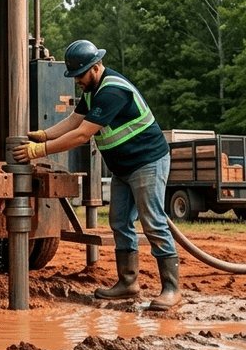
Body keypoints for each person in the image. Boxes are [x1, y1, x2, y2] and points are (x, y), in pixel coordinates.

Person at [14, 40, 181, 311]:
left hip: (147, 162)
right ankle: (128, 283)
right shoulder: (93, 90)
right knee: (119, 222)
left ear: (95, 67)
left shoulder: (112, 91)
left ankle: (172, 289)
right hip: (123, 168)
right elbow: (73, 121)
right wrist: (44, 134)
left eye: (79, 75)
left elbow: (81, 134)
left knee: (153, 223)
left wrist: (39, 150)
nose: (77, 81)